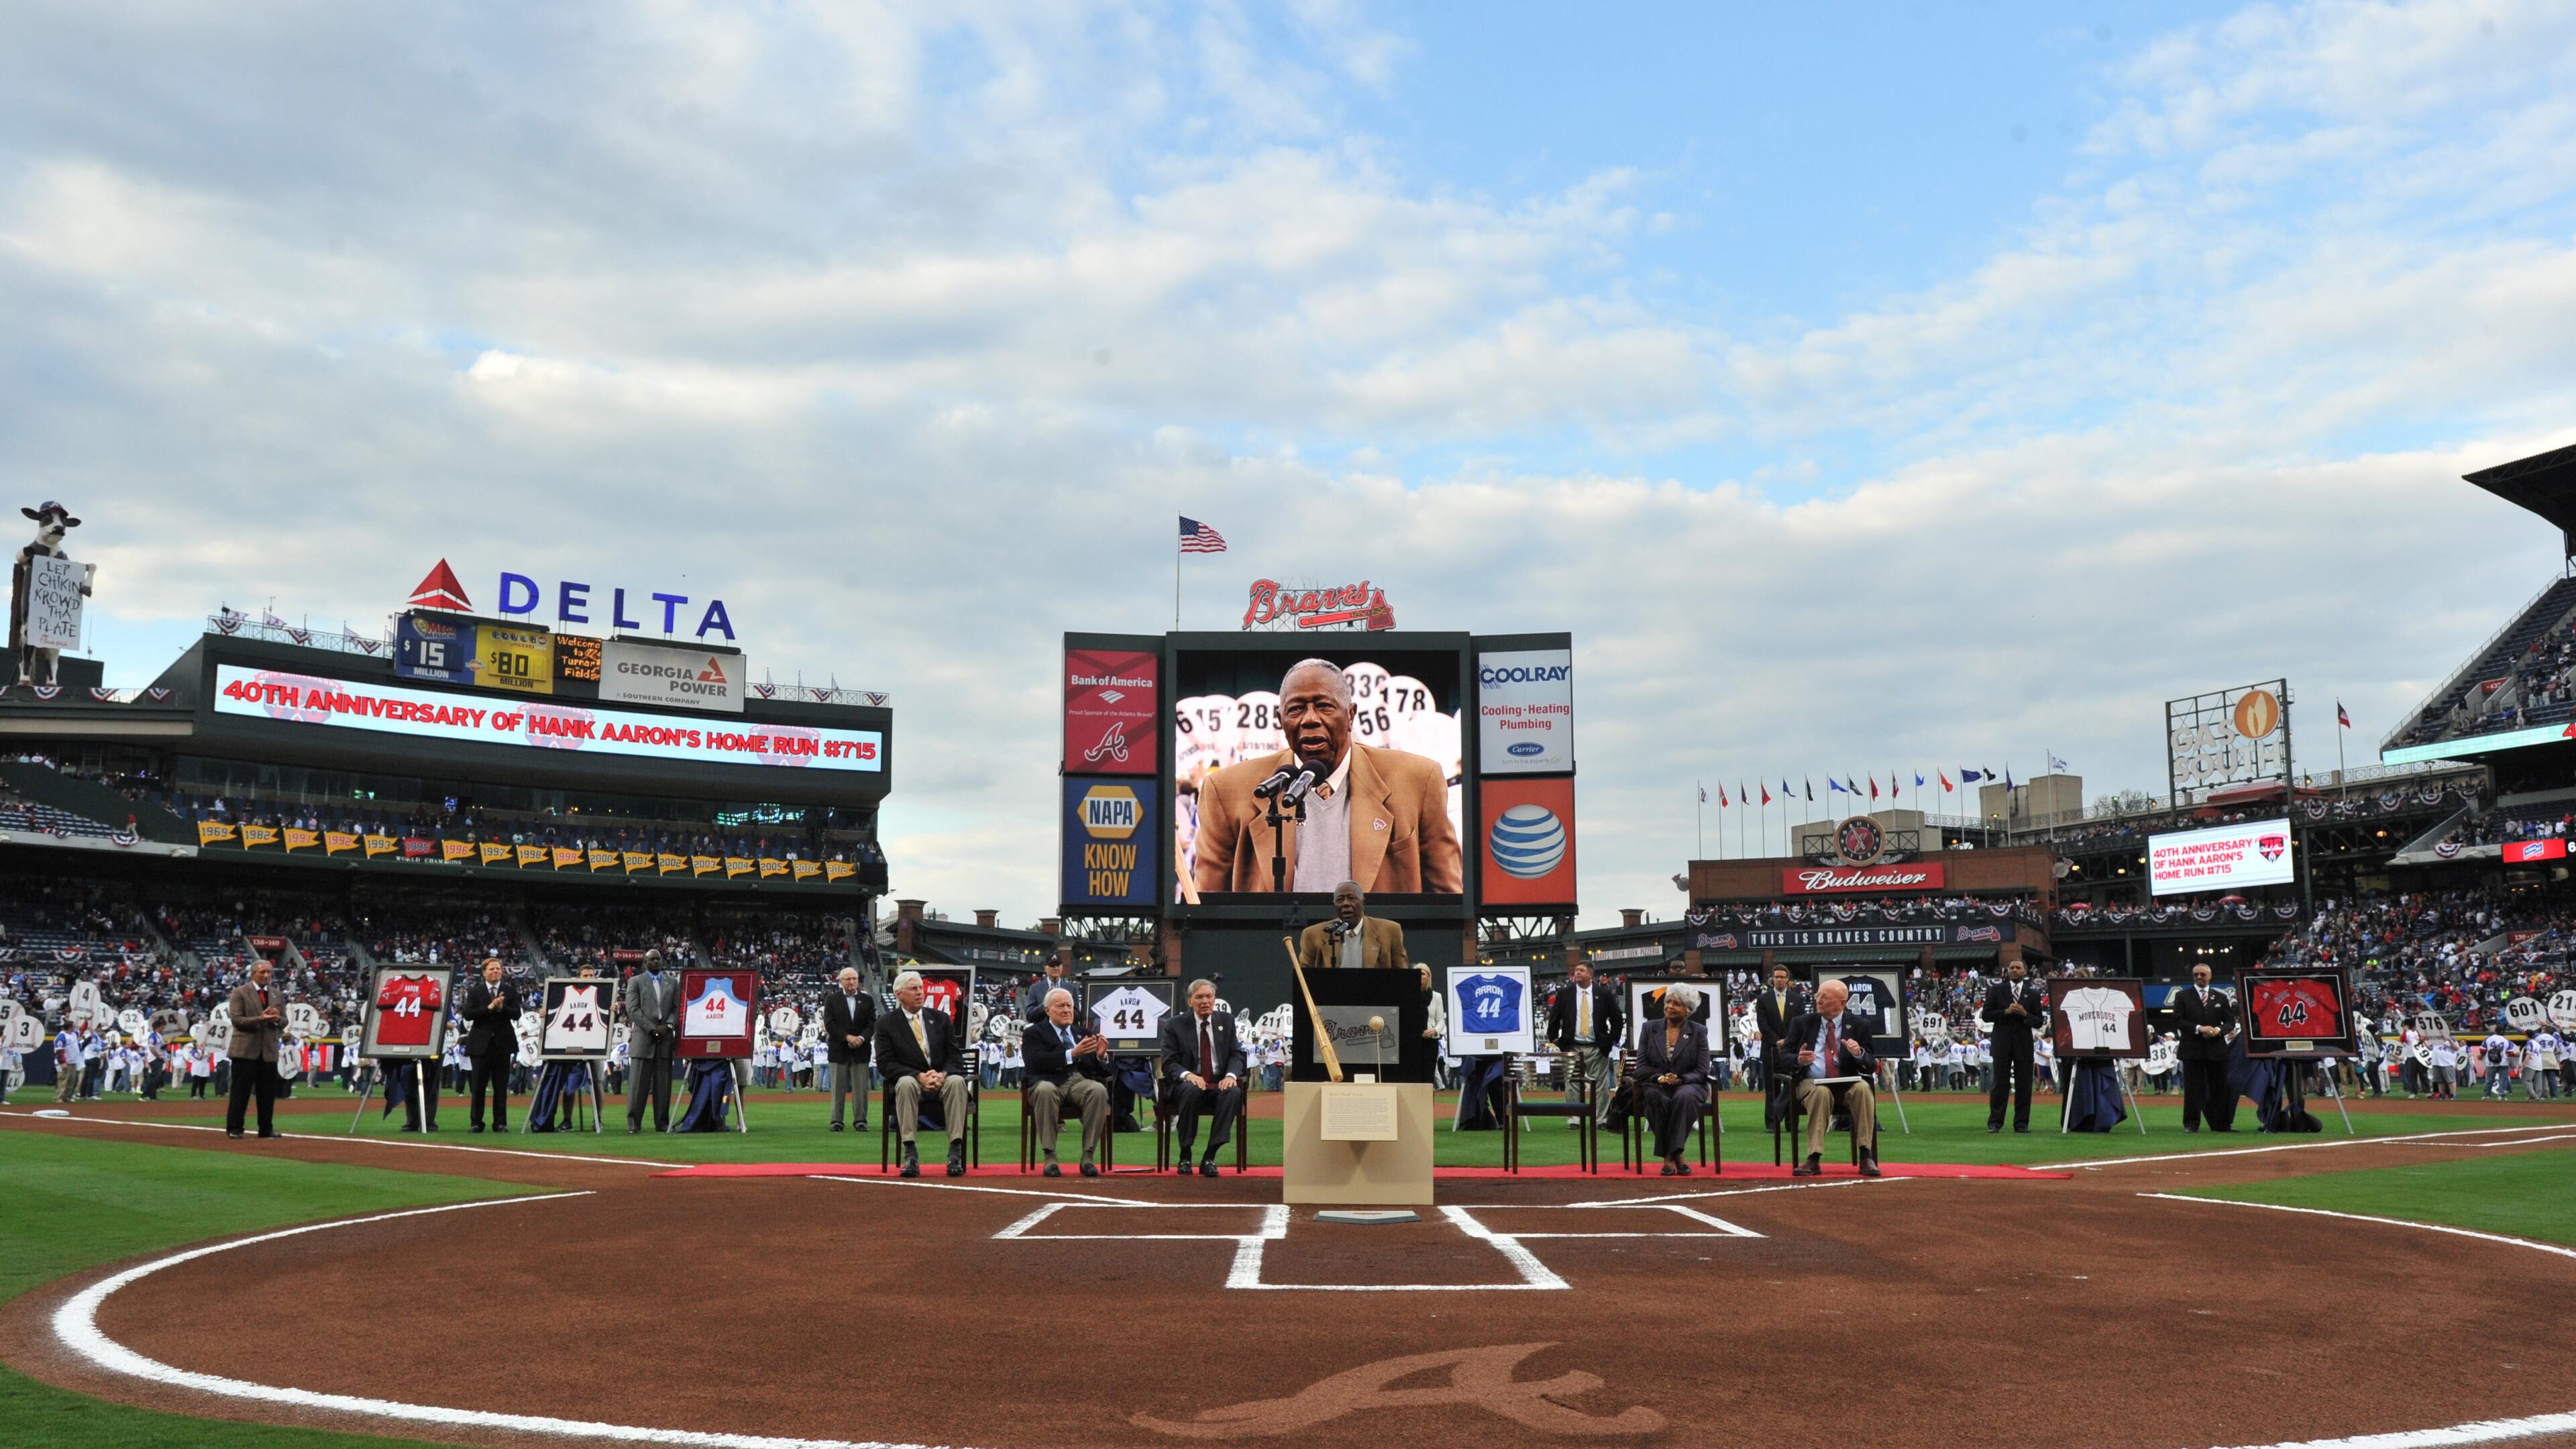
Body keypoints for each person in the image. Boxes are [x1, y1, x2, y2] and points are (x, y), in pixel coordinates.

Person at [1189, 659, 1463, 895]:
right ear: (1280, 720)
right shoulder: (1226, 790)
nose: (1310, 719)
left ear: (1351, 715)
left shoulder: (1417, 780)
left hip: (1376, 952)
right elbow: (1205, 908)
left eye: (1324, 706)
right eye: (1296, 709)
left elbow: (1449, 897)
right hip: (1275, 952)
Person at [874, 969, 970, 1177]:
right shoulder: (886, 1024)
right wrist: (918, 1076)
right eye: (914, 989)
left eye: (921, 988)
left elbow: (955, 1057)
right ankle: (910, 1153)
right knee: (906, 1084)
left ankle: (955, 1152)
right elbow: (886, 1064)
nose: (920, 993)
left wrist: (943, 1074)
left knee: (956, 1082)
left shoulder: (941, 1019)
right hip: (912, 1082)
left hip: (941, 1081)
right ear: (899, 994)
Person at [1782, 979, 1880, 1177]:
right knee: (1821, 1093)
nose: (1819, 1000)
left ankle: (1866, 1155)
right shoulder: (1802, 1023)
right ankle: (1814, 1157)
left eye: (1825, 997)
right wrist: (1798, 1060)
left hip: (1846, 1084)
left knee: (1863, 1089)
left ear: (1842, 1003)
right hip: (1811, 1083)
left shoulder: (1859, 1025)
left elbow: (1870, 1064)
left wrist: (1858, 1053)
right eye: (1818, 995)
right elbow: (1782, 1057)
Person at [1157, 978, 1245, 1177]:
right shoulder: (1175, 1025)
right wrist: (1188, 1075)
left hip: (1217, 1082)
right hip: (1187, 1085)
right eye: (1199, 997)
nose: (1205, 1001)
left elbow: (1235, 1054)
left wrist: (1231, 1075)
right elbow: (1169, 1062)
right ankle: (1185, 1155)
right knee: (1191, 1090)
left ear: (1214, 999)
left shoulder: (1227, 1021)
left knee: (1233, 1092)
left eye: (1209, 996)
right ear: (1190, 1001)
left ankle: (1210, 1156)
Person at [1024, 987, 1113, 1177]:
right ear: (1047, 1010)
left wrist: (1100, 1056)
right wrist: (1071, 1054)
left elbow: (1097, 1070)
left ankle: (1088, 1156)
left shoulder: (1083, 1033)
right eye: (1061, 1006)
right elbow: (1036, 1062)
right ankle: (1050, 1158)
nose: (1067, 1010)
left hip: (1078, 1083)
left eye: (1069, 1006)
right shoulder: (1034, 1033)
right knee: (1045, 1091)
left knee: (1098, 1090)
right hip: (1047, 1081)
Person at [1631, 984, 1710, 1175]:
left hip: (1689, 1084)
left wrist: (1681, 1079)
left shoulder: (1699, 1031)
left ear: (1688, 1009)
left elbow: (1702, 1070)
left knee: (1683, 1098)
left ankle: (1669, 1157)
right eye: (1668, 1002)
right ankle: (1677, 1155)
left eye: (1676, 1004)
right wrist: (1660, 1078)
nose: (1669, 1007)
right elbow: (1641, 1066)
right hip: (1656, 1083)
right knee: (1656, 1098)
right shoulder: (1649, 1029)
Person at [1546, 960, 1621, 1128]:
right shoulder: (1566, 993)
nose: (1577, 973)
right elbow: (1554, 1018)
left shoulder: (1604, 994)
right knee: (1572, 1083)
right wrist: (1555, 1039)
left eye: (1581, 970)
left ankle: (1600, 1119)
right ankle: (1575, 1119)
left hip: (1597, 1046)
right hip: (1573, 1046)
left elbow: (1617, 1018)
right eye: (1576, 970)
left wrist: (1612, 1039)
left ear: (1590, 974)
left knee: (1601, 1085)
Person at [1980, 959, 2046, 1134]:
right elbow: (1986, 1015)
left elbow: (2039, 1022)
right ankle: (1995, 1123)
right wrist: (2005, 1012)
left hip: (2023, 1044)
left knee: (2024, 1085)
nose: (2015, 970)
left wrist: (2025, 1014)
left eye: (2018, 968)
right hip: (2002, 1043)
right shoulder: (1997, 990)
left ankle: (2022, 1123)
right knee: (1999, 1084)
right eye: (2012, 968)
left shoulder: (2032, 994)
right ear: (2008, 971)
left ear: (2025, 971)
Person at [224, 959, 286, 1140]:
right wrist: (260, 1019)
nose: (267, 975)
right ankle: (235, 1128)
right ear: (253, 974)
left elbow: (284, 1021)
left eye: (269, 972)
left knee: (267, 1094)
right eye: (263, 972)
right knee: (240, 1093)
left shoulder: (277, 995)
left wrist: (275, 1019)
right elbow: (237, 1021)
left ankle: (266, 1129)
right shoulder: (240, 992)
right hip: (244, 1050)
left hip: (268, 1051)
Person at [2170, 964, 2237, 1132]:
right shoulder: (2182, 996)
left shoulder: (2221, 997)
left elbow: (2230, 1022)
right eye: (2196, 975)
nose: (2199, 977)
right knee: (2193, 1089)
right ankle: (2191, 1124)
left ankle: (2221, 1125)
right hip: (2192, 1049)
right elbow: (2178, 1020)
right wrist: (2199, 1028)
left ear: (2210, 976)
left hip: (2216, 1049)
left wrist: (2219, 1031)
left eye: (2202, 974)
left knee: (2219, 1088)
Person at [460, 958, 519, 1132]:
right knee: (478, 1087)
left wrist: (501, 1008)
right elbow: (468, 1014)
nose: (495, 971)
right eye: (492, 969)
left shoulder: (510, 991)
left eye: (498, 969)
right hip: (480, 1045)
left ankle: (500, 1123)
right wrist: (489, 1007)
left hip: (503, 1044)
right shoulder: (475, 991)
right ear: (484, 972)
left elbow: (517, 1014)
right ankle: (476, 1122)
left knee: (501, 1087)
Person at [1297, 881, 1409, 971]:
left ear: (1363, 903)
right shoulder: (1313, 935)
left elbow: (1403, 976)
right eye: (1340, 900)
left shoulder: (1390, 931)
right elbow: (1303, 980)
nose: (1346, 904)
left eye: (1352, 898)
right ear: (1335, 906)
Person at [623, 951, 678, 1132]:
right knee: (638, 1085)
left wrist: (668, 1026)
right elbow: (632, 1010)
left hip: (665, 1039)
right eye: (651, 959)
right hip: (644, 1038)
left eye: (658, 959)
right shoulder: (636, 982)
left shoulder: (673, 982)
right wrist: (652, 1028)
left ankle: (662, 1123)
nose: (655, 962)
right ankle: (634, 1124)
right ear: (645, 962)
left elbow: (677, 1009)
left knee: (663, 1086)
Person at [1753, 965, 1807, 1132]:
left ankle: (1791, 1123)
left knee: (1792, 1087)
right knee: (1772, 1088)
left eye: (1783, 977)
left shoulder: (1797, 999)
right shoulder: (1763, 999)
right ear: (1772, 979)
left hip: (1791, 1051)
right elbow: (1763, 1025)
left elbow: (1799, 1023)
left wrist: (1788, 1041)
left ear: (1788, 979)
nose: (1779, 980)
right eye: (1777, 977)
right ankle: (1772, 1124)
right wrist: (1777, 1041)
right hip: (1770, 1049)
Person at [1020, 955, 1074, 1023]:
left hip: (1064, 1031)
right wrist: (1046, 1003)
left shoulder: (1071, 988)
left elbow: (1078, 1016)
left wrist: (1064, 1008)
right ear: (1045, 969)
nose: (1056, 968)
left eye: (1058, 965)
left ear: (1062, 967)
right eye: (1052, 965)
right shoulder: (1035, 988)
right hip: (1042, 1032)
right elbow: (1030, 1016)